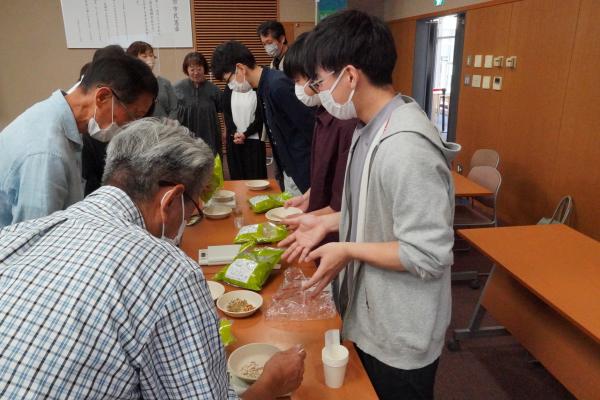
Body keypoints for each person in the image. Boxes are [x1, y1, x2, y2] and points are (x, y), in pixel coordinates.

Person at [0, 119, 306, 399]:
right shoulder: (170, 273)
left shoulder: (17, 235)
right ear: (171, 200)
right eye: (193, 209)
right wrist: (270, 384)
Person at [279, 10, 461, 400]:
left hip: (400, 330)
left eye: (318, 80)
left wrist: (346, 247)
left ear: (349, 76)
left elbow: (428, 253)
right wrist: (329, 224)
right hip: (370, 312)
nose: (315, 91)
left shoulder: (406, 147)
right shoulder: (369, 128)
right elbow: (381, 209)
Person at [0, 56, 157, 228]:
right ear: (102, 97)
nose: (130, 126)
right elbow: (36, 241)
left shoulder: (58, 118)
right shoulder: (48, 152)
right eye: (134, 115)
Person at [211, 41, 314, 196]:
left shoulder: (277, 85)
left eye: (228, 80)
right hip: (291, 167)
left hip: (305, 169)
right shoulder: (263, 87)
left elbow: (311, 129)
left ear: (240, 68)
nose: (231, 86)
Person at [282, 32, 356, 246]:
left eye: (299, 80)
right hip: (321, 225)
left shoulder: (345, 121)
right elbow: (327, 176)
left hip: (336, 238)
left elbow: (341, 204)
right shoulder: (324, 112)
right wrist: (308, 198)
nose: (299, 88)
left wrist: (309, 219)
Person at [174, 51, 222, 156]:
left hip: (209, 133)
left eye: (199, 69)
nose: (196, 73)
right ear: (186, 70)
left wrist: (226, 130)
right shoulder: (177, 88)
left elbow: (225, 111)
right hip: (185, 134)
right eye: (192, 69)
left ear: (204, 69)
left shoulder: (214, 89)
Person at [222, 80, 267, 180]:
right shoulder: (229, 88)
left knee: (256, 177)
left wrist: (245, 134)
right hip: (234, 139)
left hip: (254, 140)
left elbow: (260, 117)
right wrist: (234, 132)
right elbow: (227, 114)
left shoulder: (257, 87)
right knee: (237, 177)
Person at [127, 41, 178, 120]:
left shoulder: (164, 83)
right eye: (144, 56)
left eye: (151, 55)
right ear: (133, 60)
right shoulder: (128, 84)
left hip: (165, 129)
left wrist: (168, 125)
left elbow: (174, 108)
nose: (150, 59)